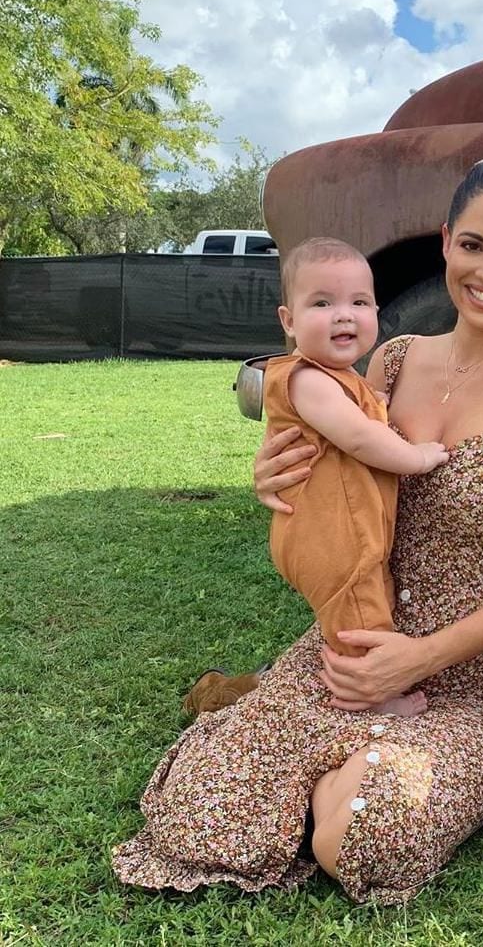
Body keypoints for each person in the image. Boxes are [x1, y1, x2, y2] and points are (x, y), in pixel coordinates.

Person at [111, 151, 483, 903]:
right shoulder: (394, 361)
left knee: (366, 839)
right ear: (445, 241)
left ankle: (333, 774)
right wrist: (272, 477)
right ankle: (318, 755)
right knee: (193, 815)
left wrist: (418, 660)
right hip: (351, 655)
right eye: (473, 245)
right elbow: (339, 484)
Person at [187, 238, 447, 718]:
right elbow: (362, 439)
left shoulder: (345, 377)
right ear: (288, 321)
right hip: (330, 536)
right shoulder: (308, 379)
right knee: (359, 614)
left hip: (338, 530)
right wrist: (418, 456)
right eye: (323, 303)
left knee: (368, 600)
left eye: (359, 302)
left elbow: (364, 414)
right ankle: (371, 695)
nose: (344, 315)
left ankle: (246, 690)